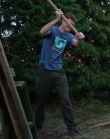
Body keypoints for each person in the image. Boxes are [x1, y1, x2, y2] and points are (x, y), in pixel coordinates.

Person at [34, 9, 85, 138]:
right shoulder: (54, 31)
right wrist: (56, 19)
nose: (69, 27)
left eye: (71, 25)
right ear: (63, 20)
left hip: (58, 71)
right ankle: (37, 127)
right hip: (45, 69)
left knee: (65, 100)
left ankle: (72, 129)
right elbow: (42, 31)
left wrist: (80, 40)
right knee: (41, 100)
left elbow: (76, 43)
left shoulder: (68, 36)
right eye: (68, 23)